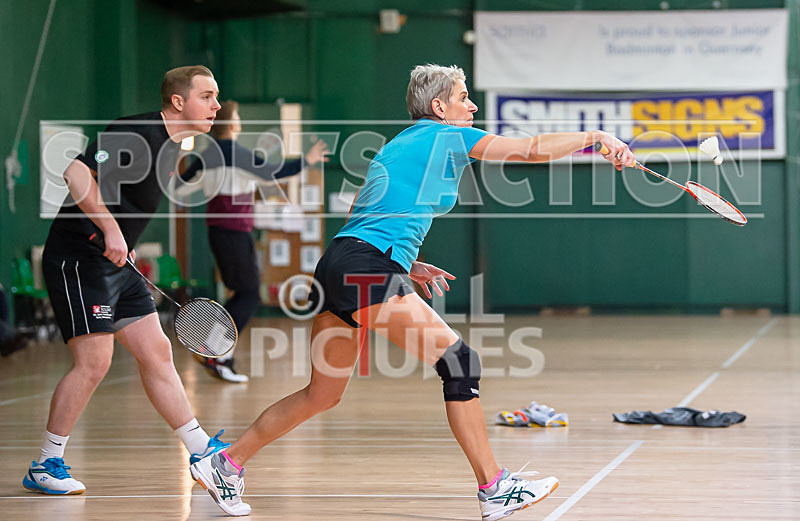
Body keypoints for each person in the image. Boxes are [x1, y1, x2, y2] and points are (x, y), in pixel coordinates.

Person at [189, 64, 636, 518]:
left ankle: (225, 464)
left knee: (322, 394)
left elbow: (368, 215)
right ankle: (495, 488)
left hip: (342, 265)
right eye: (464, 97)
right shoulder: (447, 136)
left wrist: (406, 263)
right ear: (439, 107)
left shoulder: (401, 144)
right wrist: (596, 136)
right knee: (460, 363)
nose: (473, 105)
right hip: (364, 268)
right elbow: (528, 150)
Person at [22, 66, 232, 495]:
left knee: (157, 352)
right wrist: (111, 229)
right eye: (207, 96)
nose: (216, 105)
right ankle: (46, 463)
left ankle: (199, 449)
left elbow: (122, 199)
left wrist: (124, 239)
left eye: (216, 97)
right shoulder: (135, 132)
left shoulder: (174, 146)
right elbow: (77, 174)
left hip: (118, 264)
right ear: (179, 101)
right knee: (94, 362)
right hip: (79, 258)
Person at [177, 100, 328, 383]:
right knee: (249, 295)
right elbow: (275, 170)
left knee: (241, 293)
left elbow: (181, 184)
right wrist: (307, 160)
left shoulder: (205, 155)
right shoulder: (236, 154)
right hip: (234, 233)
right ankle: (216, 352)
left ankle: (216, 352)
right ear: (233, 124)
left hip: (218, 232)